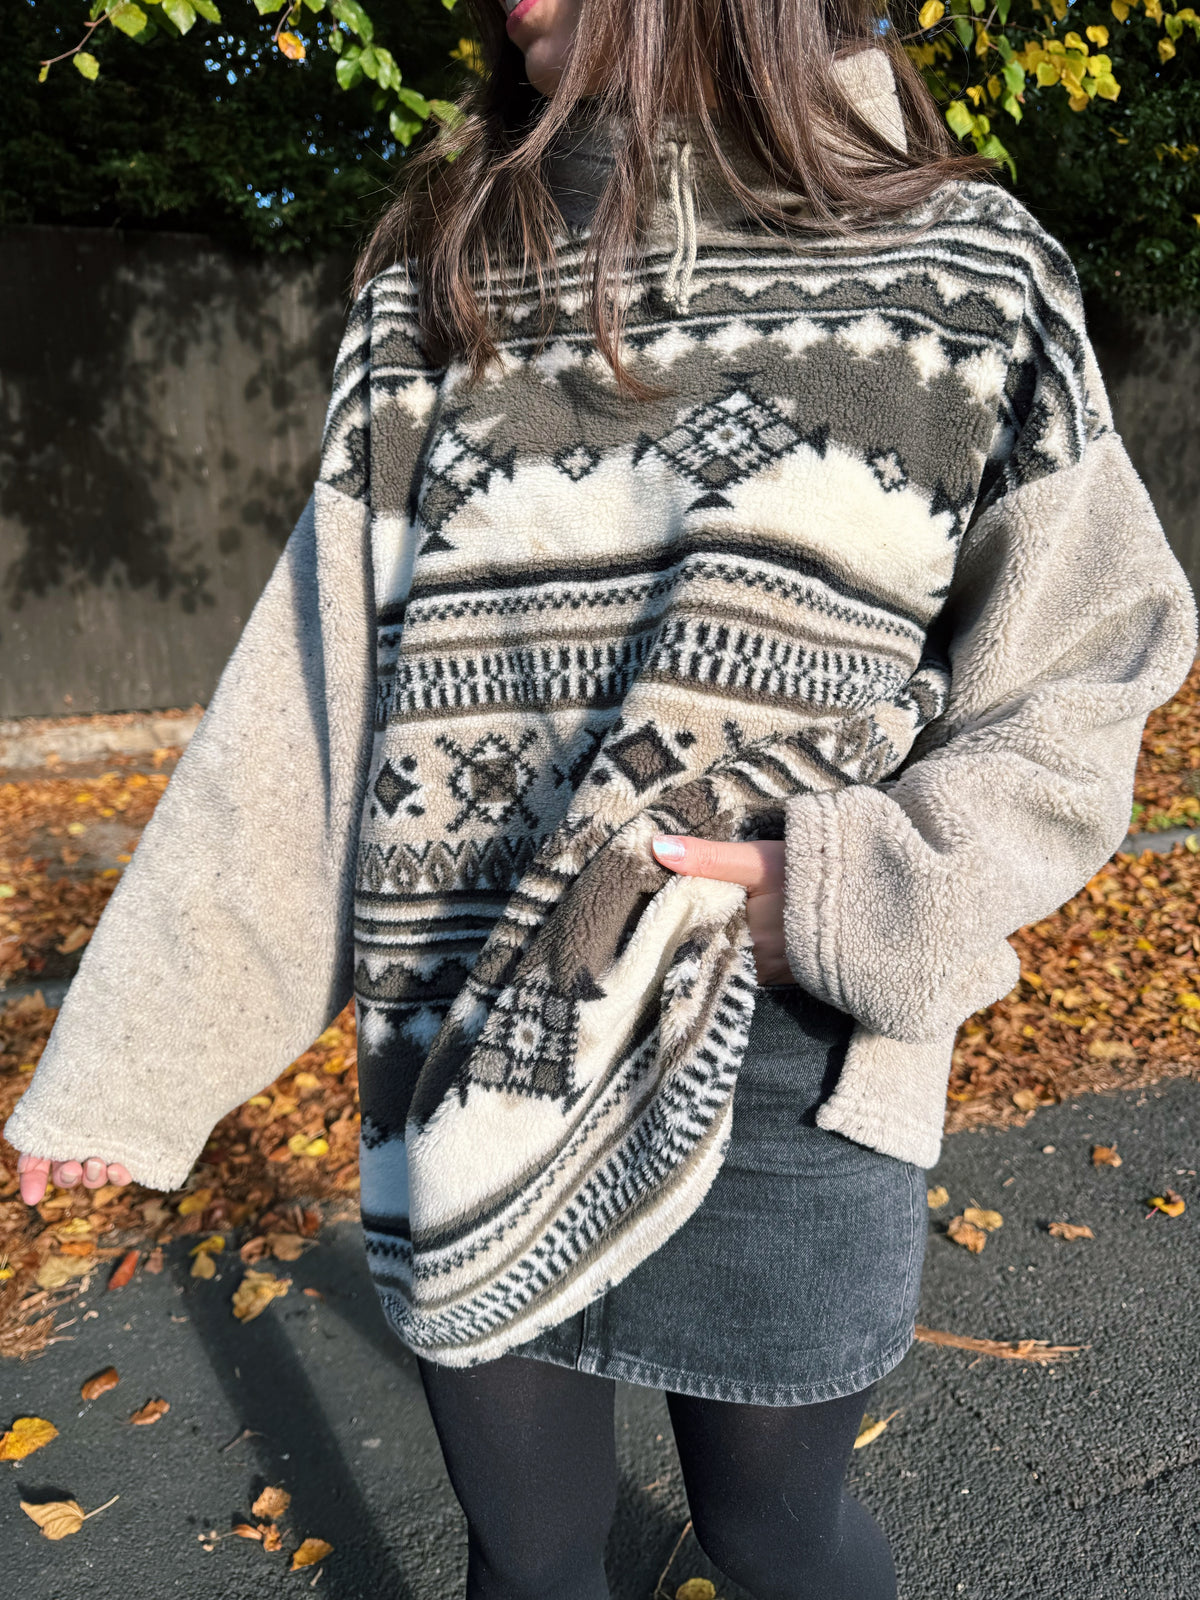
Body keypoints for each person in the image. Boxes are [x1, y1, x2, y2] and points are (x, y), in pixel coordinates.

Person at [8, 0, 1197, 1595]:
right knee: (530, 1552)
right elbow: (313, 699)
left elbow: (1090, 656)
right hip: (466, 1040)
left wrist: (863, 886)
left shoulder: (964, 269)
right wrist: (140, 1054)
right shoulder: (442, 275)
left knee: (775, 1537)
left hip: (788, 1041)